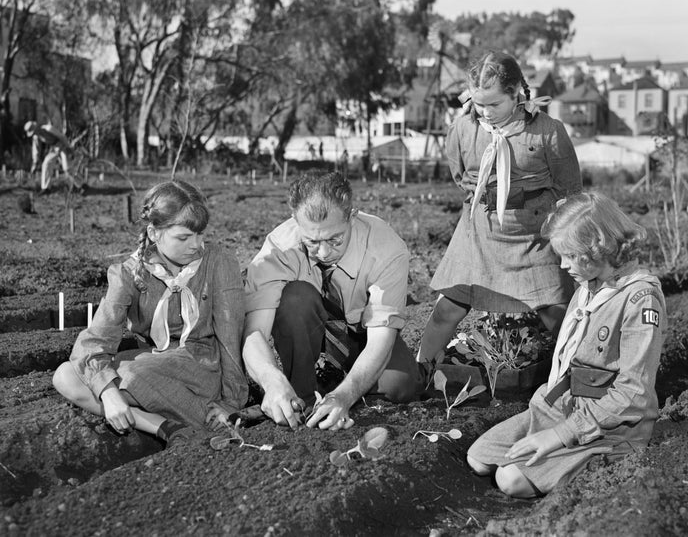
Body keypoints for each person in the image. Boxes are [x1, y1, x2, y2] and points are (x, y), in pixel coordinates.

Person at [466, 192, 667, 498]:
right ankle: (548, 455)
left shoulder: (639, 298)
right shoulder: (588, 287)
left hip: (611, 427)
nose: (563, 264)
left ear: (599, 247)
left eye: (570, 255)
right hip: (563, 405)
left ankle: (608, 461)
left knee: (510, 480)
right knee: (478, 459)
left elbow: (634, 393)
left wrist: (562, 434)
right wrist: (553, 421)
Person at [53, 180, 248, 446]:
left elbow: (230, 336)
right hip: (153, 363)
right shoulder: (128, 273)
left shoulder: (218, 262)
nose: (197, 245)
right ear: (154, 233)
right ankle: (165, 427)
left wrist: (230, 402)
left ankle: (204, 420)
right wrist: (109, 394)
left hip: (201, 369)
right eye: (184, 237)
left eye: (200, 234)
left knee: (130, 375)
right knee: (65, 375)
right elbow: (95, 340)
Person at [417, 51, 582, 366]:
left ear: (516, 92)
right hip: (479, 232)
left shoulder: (547, 130)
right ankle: (419, 371)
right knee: (447, 309)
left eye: (495, 104)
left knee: (557, 314)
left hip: (535, 235)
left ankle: (573, 375)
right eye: (479, 104)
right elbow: (460, 176)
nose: (486, 113)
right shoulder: (463, 129)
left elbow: (570, 188)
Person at [225, 171, 422, 431]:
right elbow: (254, 332)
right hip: (307, 331)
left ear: (352, 216)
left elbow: (380, 340)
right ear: (296, 222)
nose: (325, 252)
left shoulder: (386, 248)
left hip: (361, 335)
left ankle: (334, 388)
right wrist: (271, 381)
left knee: (401, 386)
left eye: (335, 239)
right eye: (312, 241)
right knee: (296, 299)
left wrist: (343, 397)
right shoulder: (278, 249)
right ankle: (302, 395)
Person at [24, 120, 80, 194]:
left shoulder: (48, 128)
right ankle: (46, 188)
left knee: (67, 168)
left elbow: (61, 136)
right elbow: (36, 150)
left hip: (61, 144)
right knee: (46, 163)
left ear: (36, 127)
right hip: (54, 148)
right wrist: (35, 162)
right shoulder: (36, 136)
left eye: (34, 131)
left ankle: (81, 185)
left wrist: (68, 148)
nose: (35, 133)